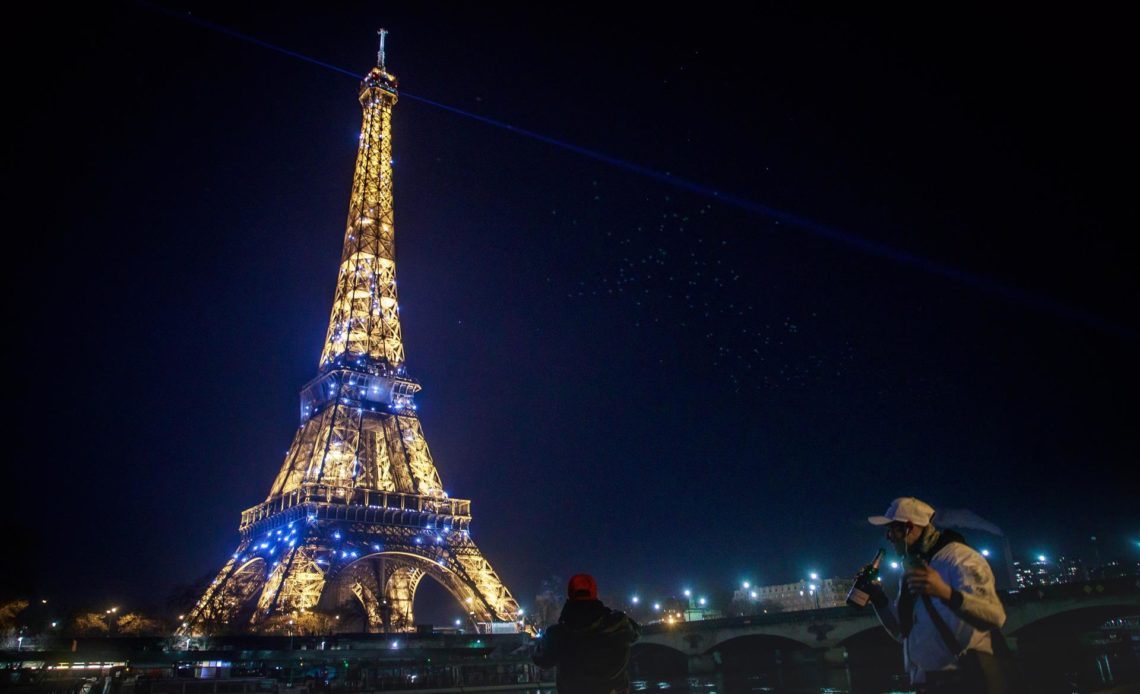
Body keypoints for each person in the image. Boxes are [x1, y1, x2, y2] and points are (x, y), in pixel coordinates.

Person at [864, 496, 1008, 693]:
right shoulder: (910, 571)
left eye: (892, 529)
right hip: (925, 683)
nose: (889, 537)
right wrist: (877, 598)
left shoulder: (959, 558)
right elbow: (901, 632)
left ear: (909, 528)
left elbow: (994, 617)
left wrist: (946, 593)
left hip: (963, 681)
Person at [532, 573, 641, 694]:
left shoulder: (557, 634)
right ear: (594, 593)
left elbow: (541, 659)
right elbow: (636, 633)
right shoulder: (618, 625)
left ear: (570, 594)